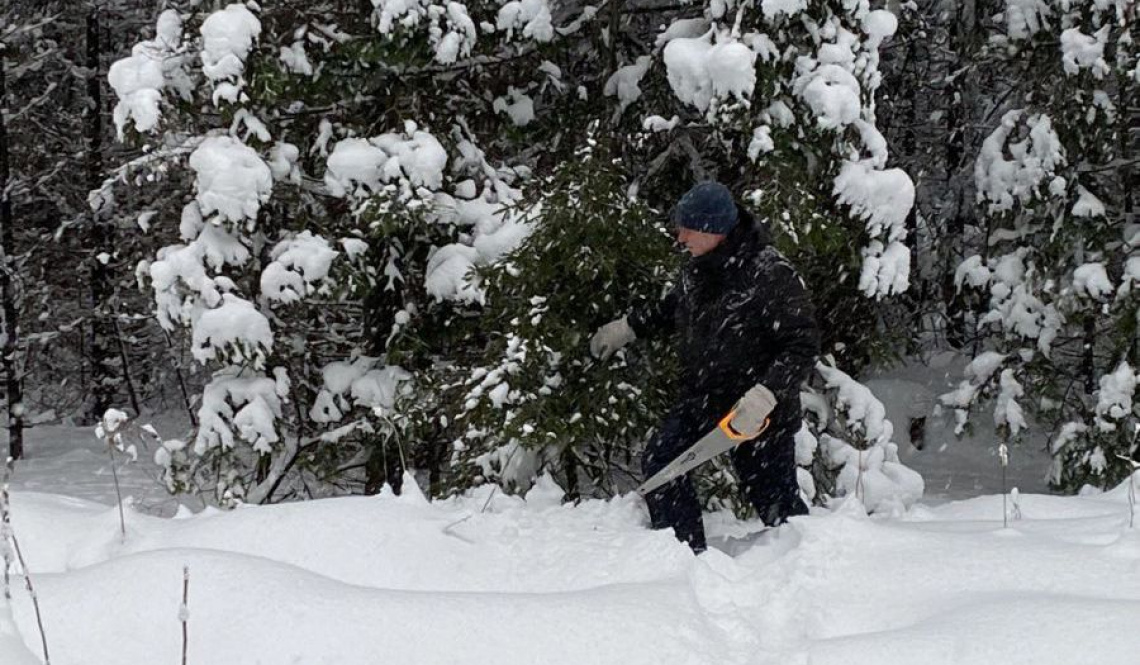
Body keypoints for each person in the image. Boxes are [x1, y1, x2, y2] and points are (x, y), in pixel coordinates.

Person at [590, 181, 821, 553]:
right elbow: (673, 309)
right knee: (663, 464)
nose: (680, 238)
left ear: (715, 229)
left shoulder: (771, 273)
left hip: (758, 412)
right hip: (704, 399)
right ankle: (683, 558)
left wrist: (765, 395)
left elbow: (802, 344)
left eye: (688, 229)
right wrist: (629, 328)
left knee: (775, 503)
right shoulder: (698, 270)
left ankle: (812, 566)